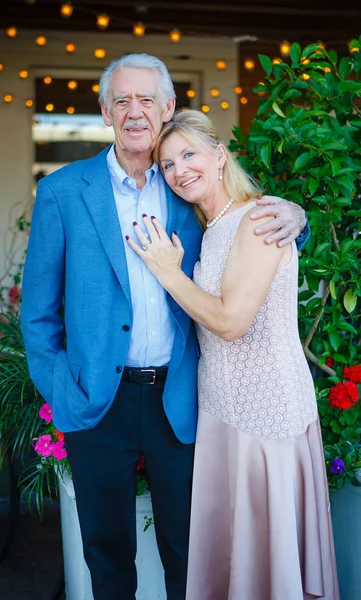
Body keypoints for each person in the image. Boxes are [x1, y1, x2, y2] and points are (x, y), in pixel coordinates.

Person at [21, 54, 309, 600]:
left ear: (168, 108)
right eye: (122, 101)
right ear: (105, 112)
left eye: (147, 99)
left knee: (189, 550)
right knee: (105, 553)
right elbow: (37, 312)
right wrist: (62, 389)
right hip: (96, 403)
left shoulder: (187, 185)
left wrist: (297, 220)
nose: (135, 112)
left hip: (180, 399)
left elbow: (244, 222)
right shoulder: (62, 191)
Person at [127, 109, 339, 600]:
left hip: (267, 415)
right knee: (236, 558)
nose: (179, 171)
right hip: (222, 410)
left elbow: (229, 322)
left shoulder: (259, 217)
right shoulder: (213, 226)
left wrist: (168, 272)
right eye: (167, 164)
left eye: (189, 155)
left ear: (219, 156)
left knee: (267, 556)